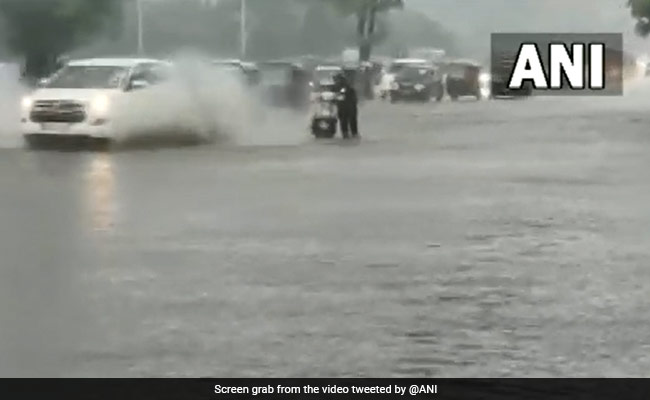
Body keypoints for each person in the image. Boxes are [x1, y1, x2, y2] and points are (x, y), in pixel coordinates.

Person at [334, 73, 359, 139]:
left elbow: (341, 95)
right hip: (345, 106)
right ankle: (350, 133)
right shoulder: (338, 87)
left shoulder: (345, 87)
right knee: (347, 120)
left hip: (347, 106)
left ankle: (350, 133)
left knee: (348, 120)